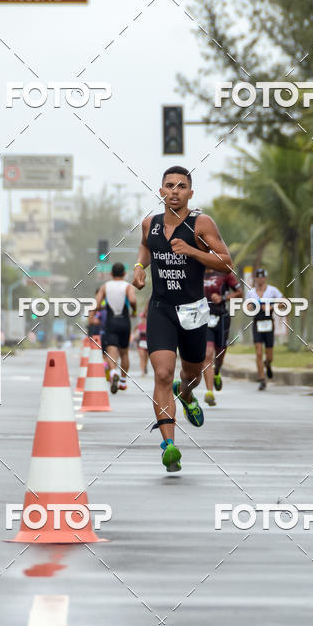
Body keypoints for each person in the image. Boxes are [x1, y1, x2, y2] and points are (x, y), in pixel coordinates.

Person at [132, 165, 233, 473]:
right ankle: (169, 445)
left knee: (189, 374)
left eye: (181, 186)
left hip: (193, 310)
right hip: (161, 309)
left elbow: (227, 263)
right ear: (160, 190)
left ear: (190, 192)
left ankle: (187, 394)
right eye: (169, 185)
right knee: (162, 375)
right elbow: (146, 248)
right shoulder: (150, 223)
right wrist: (139, 268)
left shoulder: (201, 223)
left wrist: (191, 250)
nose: (174, 191)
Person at [94, 263, 137, 393]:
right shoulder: (127, 286)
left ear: (111, 274)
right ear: (124, 274)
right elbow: (133, 300)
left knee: (111, 350)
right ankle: (123, 382)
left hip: (111, 322)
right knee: (124, 353)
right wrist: (134, 311)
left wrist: (101, 308)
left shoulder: (105, 287)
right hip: (124, 322)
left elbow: (97, 303)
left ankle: (113, 372)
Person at [202, 267, 242, 405]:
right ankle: (209, 392)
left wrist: (223, 297)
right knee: (207, 355)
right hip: (203, 319)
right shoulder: (195, 270)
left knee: (219, 355)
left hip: (221, 318)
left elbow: (239, 293)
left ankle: (217, 371)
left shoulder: (224, 272)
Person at [246, 268, 284, 390]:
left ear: (265, 278)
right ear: (255, 279)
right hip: (257, 323)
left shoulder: (272, 290)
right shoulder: (251, 292)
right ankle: (262, 379)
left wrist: (271, 306)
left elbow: (284, 302)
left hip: (268, 323)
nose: (260, 279)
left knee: (269, 355)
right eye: (258, 277)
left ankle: (268, 363)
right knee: (258, 352)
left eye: (262, 277)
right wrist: (252, 306)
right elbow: (247, 306)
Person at [131, 301, 150, 376]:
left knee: (146, 358)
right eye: (142, 317)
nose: (143, 319)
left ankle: (145, 367)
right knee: (142, 357)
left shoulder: (150, 324)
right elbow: (134, 333)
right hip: (140, 344)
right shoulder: (139, 326)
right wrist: (136, 335)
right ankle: (142, 370)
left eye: (144, 317)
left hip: (148, 343)